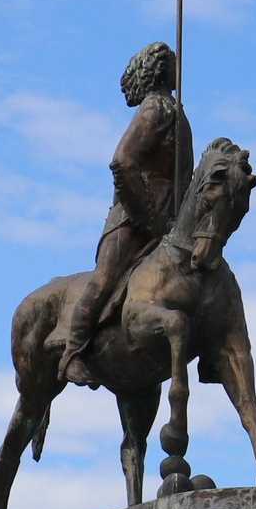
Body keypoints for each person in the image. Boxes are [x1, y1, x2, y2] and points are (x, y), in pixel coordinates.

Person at [57, 41, 192, 385]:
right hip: (134, 221)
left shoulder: (175, 111)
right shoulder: (154, 109)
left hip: (171, 222)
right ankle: (73, 351)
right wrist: (148, 215)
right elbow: (123, 162)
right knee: (104, 280)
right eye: (173, 63)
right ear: (160, 70)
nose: (179, 68)